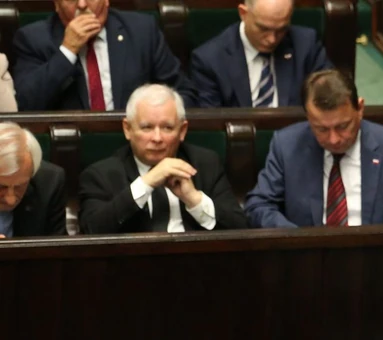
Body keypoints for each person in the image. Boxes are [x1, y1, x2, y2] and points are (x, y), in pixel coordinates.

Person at [244, 69, 383, 228]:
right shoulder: (287, 145)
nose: (334, 139)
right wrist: (296, 239)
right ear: (308, 116)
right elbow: (258, 205)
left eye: (343, 126)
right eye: (321, 129)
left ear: (360, 108)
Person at [78, 84, 246, 234]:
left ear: (182, 131)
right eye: (147, 127)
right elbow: (92, 230)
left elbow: (239, 228)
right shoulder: (101, 174)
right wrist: (146, 184)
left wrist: (194, 199)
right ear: (127, 129)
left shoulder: (205, 164)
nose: (157, 138)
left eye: (167, 128)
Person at [12, 0, 195, 111]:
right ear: (56, 5)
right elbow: (26, 105)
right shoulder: (33, 39)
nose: (82, 4)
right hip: (71, 147)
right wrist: (67, 51)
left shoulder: (142, 31)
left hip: (135, 141)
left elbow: (183, 93)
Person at [190, 0, 332, 108]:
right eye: (263, 29)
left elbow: (329, 93)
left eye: (281, 29)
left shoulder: (306, 44)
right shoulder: (210, 59)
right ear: (243, 13)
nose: (272, 39)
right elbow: (213, 124)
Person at [0, 122, 66, 238]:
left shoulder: (49, 182)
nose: (10, 200)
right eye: (1, 187)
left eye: (20, 186)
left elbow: (58, 245)